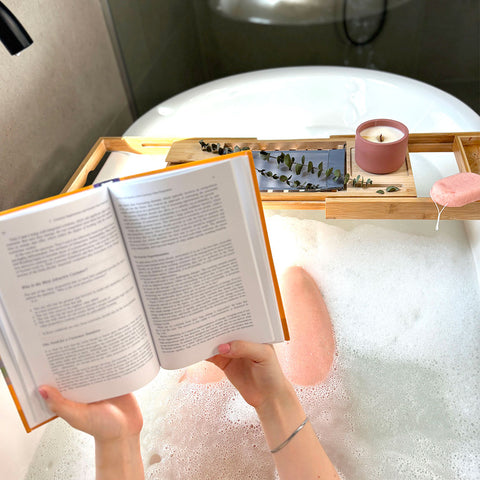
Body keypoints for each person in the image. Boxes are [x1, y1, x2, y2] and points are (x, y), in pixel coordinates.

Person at [39, 267, 340, 479]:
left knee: (206, 374)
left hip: (198, 458)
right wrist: (274, 400)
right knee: (294, 282)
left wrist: (119, 441)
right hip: (300, 442)